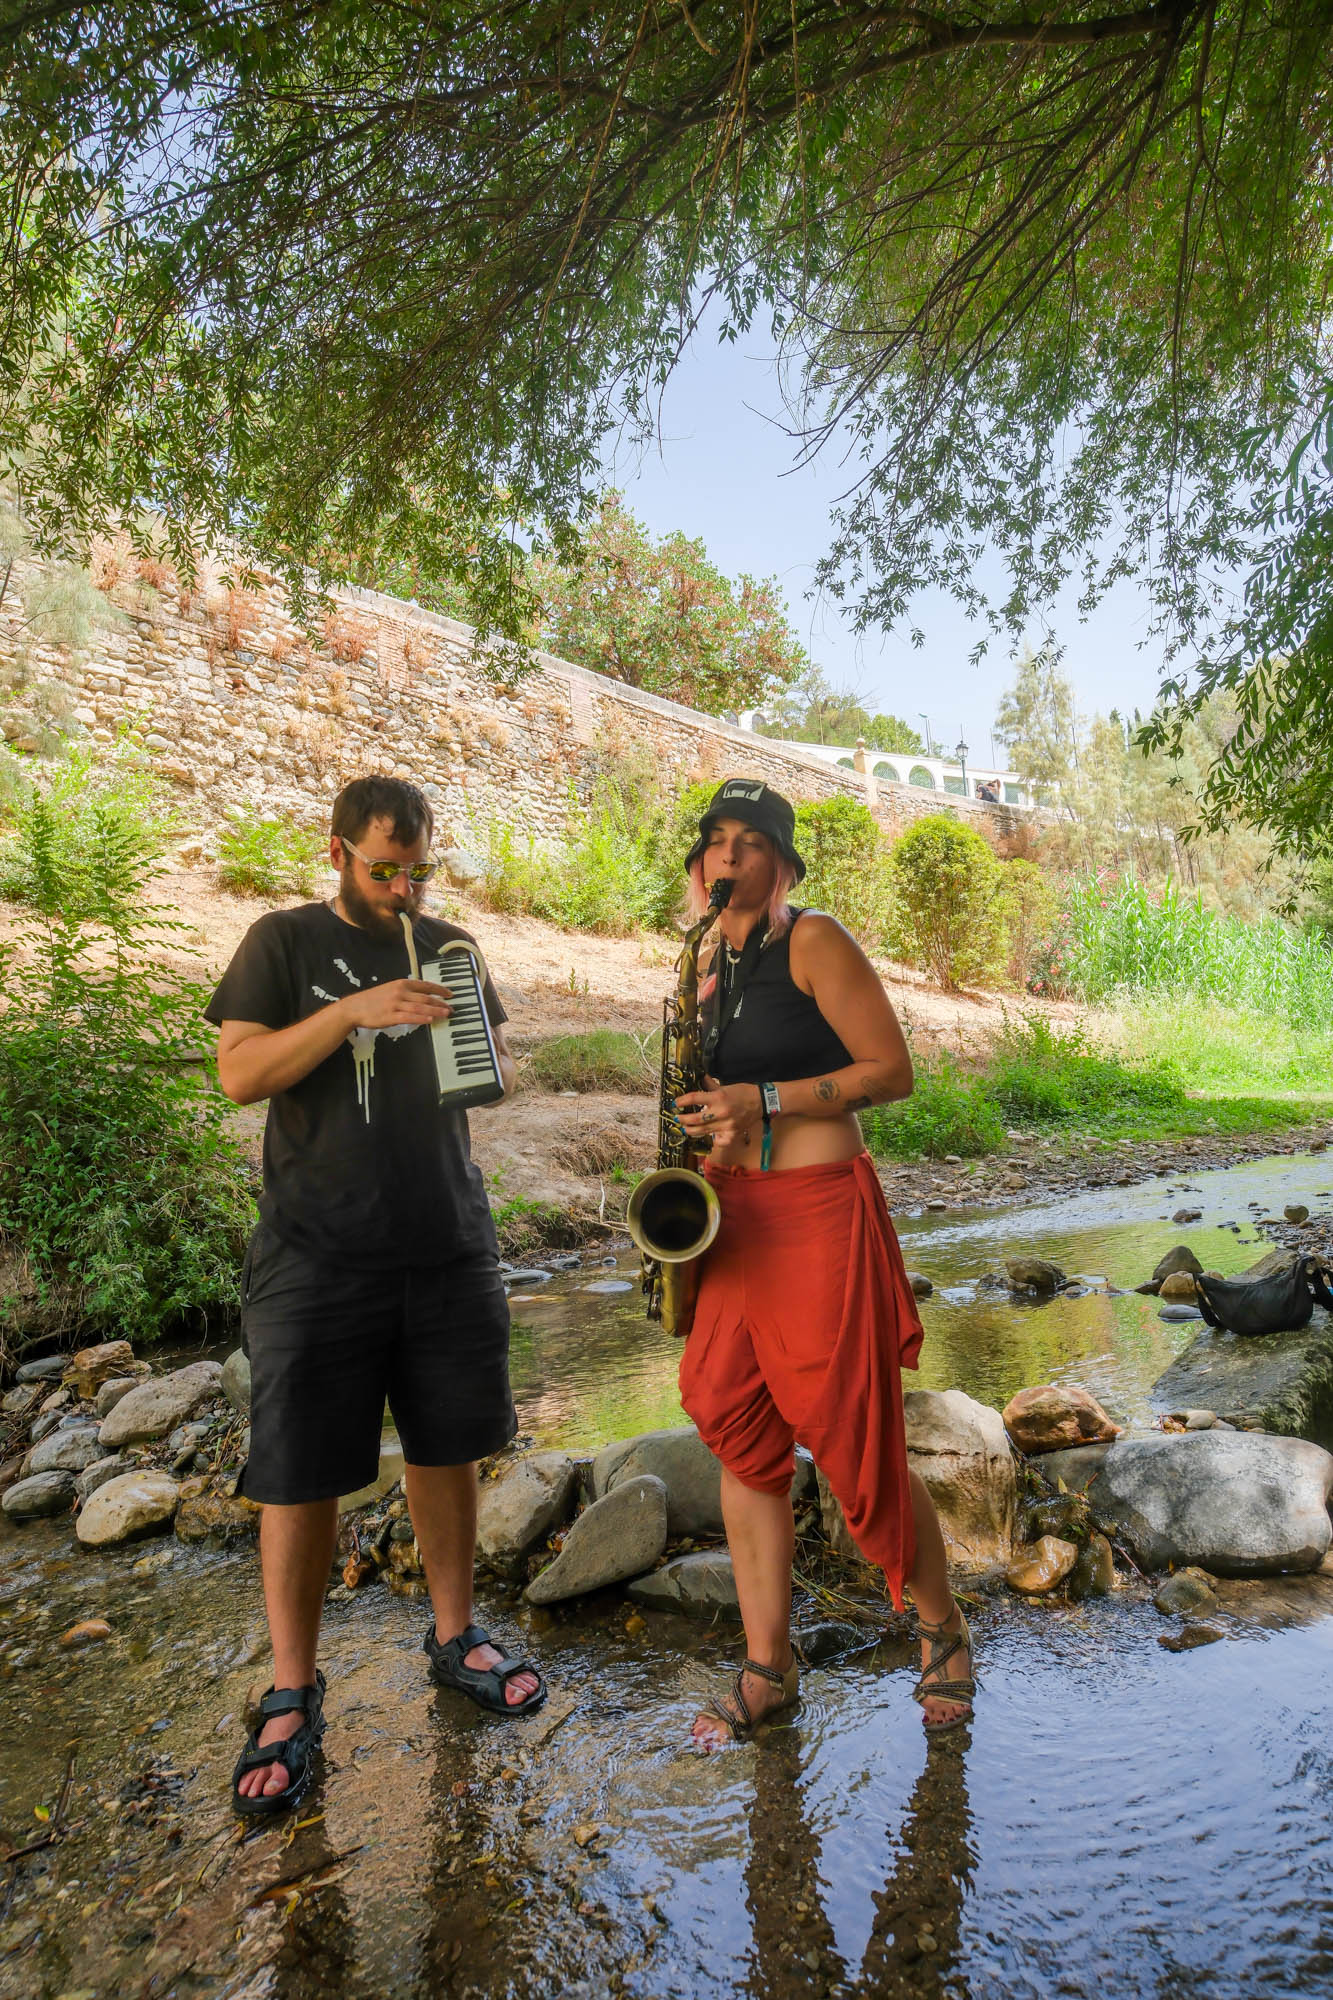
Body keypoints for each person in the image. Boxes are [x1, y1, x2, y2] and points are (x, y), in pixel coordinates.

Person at [207, 774, 545, 1818]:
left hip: (443, 1239)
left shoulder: (448, 946)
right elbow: (239, 1072)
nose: (401, 887)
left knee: (449, 1445)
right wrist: (353, 1011)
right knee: (299, 1471)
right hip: (315, 1251)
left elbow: (480, 1083)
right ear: (340, 850)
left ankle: (454, 1635)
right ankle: (292, 1688)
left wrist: (465, 1039)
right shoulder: (283, 941)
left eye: (417, 870)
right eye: (382, 867)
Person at [671, 778, 976, 1747]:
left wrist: (767, 1097)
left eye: (748, 840)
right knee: (733, 1421)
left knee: (851, 1434)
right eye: (714, 840)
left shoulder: (814, 938)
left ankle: (940, 1624)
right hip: (732, 1219)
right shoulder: (700, 965)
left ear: (783, 860)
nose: (728, 856)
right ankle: (769, 1663)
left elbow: (891, 1070)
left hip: (815, 1212)